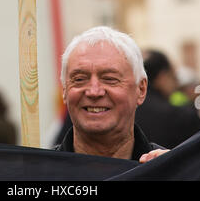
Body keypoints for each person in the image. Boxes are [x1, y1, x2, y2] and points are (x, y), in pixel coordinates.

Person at [55, 26, 168, 163]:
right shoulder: (37, 173)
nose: (94, 92)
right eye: (79, 79)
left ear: (141, 89)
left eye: (109, 79)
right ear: (65, 90)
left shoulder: (170, 171)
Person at [135, 50, 200, 149]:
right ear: (162, 77)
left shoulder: (127, 112)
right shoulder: (181, 116)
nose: (176, 84)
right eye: (174, 77)